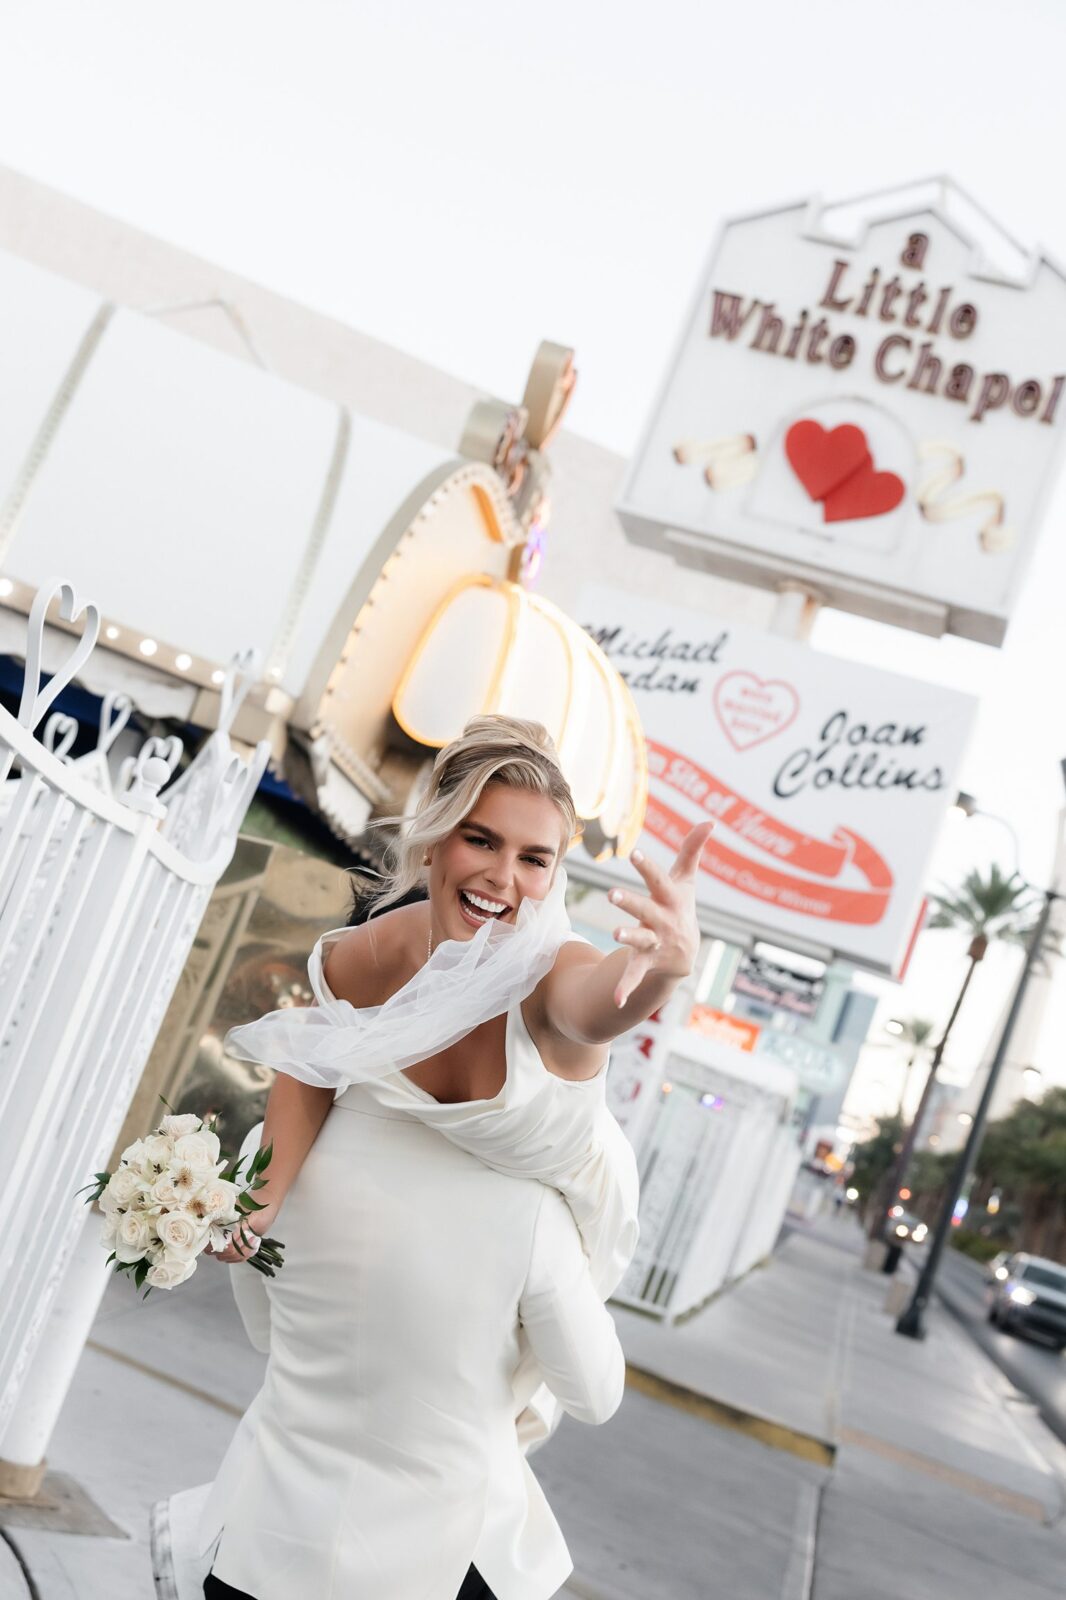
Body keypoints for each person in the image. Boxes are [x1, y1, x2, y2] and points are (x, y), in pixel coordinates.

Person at [171, 717, 710, 1600]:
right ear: (434, 839)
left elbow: (599, 1006)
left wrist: (662, 973)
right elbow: (314, 1061)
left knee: (507, 1400)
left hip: (555, 1200)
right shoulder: (368, 951)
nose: (504, 878)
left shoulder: (552, 976)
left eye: (535, 859)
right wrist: (260, 1204)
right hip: (402, 1206)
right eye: (481, 840)